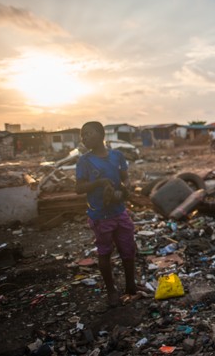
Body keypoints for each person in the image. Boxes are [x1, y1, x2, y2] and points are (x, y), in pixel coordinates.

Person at [75, 121, 138, 307]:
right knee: (105, 252)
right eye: (82, 135)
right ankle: (111, 292)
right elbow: (78, 188)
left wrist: (126, 188)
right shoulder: (84, 161)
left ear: (101, 134)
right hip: (100, 216)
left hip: (119, 211)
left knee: (128, 250)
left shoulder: (117, 156)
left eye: (88, 133)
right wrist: (100, 183)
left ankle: (130, 286)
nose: (84, 138)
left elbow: (125, 177)